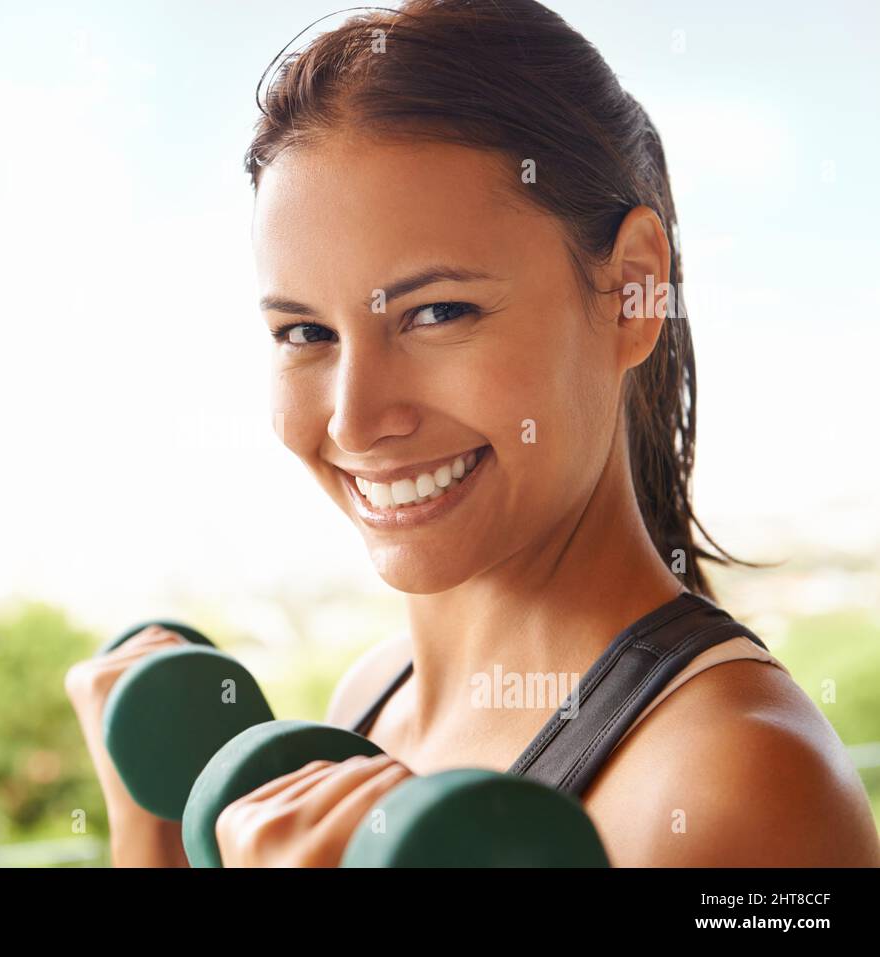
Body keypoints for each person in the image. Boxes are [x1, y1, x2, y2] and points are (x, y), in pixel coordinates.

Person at [65, 0, 880, 867]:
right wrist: (151, 824)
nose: (354, 416)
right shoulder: (375, 697)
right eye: (306, 332)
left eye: (438, 312)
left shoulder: (737, 782)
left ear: (632, 291)